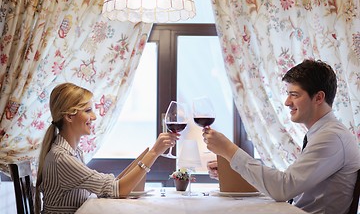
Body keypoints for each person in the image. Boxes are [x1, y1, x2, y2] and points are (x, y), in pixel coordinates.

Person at [203, 59, 360, 214]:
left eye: (294, 95)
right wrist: (233, 172)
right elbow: (287, 185)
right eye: (288, 94)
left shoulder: (331, 137)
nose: (287, 102)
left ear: (319, 97)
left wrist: (229, 150)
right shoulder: (322, 133)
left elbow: (283, 188)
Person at [35, 83, 179, 214]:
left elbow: (110, 186)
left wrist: (146, 158)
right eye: (88, 110)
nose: (94, 116)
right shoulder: (62, 158)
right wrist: (153, 153)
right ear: (69, 117)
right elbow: (118, 190)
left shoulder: (72, 152)